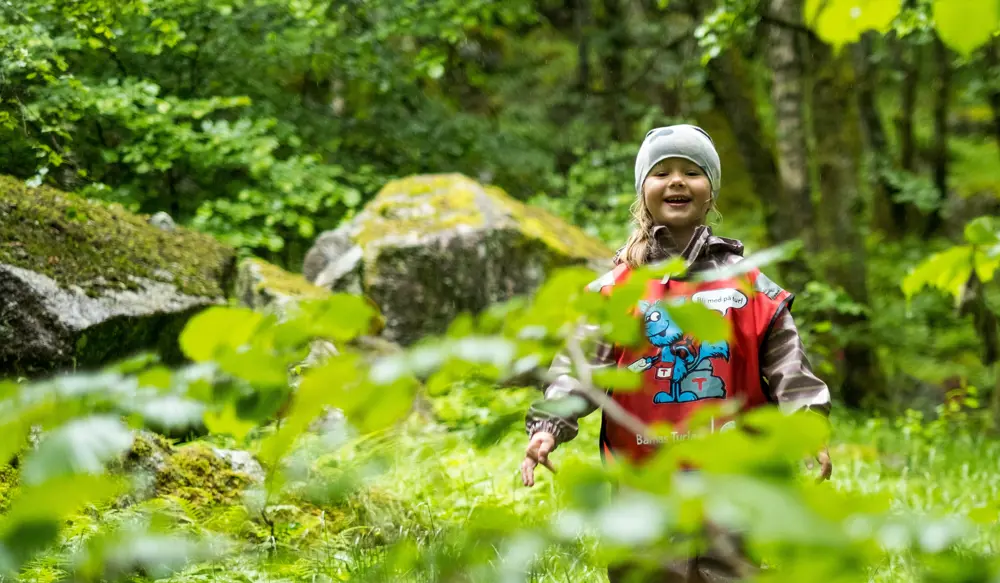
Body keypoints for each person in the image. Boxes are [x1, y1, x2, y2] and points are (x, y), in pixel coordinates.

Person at [519, 124, 833, 583]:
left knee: (732, 571)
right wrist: (550, 426)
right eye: (661, 172)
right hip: (643, 474)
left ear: (712, 192)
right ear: (643, 190)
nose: (677, 181)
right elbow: (578, 370)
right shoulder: (615, 291)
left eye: (692, 171)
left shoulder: (749, 286)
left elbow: (788, 365)